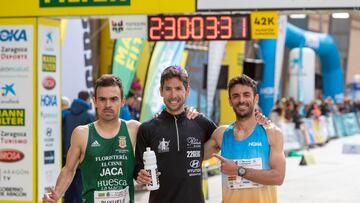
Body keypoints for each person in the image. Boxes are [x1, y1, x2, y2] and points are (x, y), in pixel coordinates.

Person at [43, 75, 141, 203]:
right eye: (102, 99)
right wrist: (55, 196)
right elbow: (69, 169)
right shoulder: (82, 133)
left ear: (122, 101)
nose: (108, 105)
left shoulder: (134, 129)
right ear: (94, 101)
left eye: (113, 99)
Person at [134, 66, 218, 203]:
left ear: (187, 90)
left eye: (178, 88)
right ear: (161, 91)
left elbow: (221, 139)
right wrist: (140, 175)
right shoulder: (147, 128)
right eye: (168, 89)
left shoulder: (200, 122)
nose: (173, 95)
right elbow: (137, 167)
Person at [205, 74, 285, 203]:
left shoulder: (272, 133)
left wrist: (238, 170)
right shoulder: (222, 134)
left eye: (246, 95)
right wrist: (190, 116)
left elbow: (278, 177)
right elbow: (194, 156)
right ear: (230, 101)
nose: (241, 100)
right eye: (236, 96)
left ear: (256, 98)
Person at [62, 90, 95, 203]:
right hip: (84, 157)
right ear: (87, 99)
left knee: (69, 185)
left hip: (67, 154)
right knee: (82, 187)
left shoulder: (67, 115)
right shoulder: (89, 116)